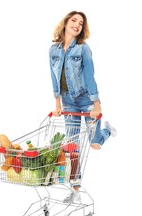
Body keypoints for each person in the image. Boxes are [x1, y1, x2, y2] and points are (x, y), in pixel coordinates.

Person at [49, 11, 117, 203]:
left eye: (81, 23)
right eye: (74, 20)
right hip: (68, 102)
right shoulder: (53, 50)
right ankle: (75, 189)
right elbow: (54, 78)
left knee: (94, 145)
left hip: (87, 101)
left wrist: (97, 105)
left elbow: (89, 77)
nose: (77, 24)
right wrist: (57, 104)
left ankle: (108, 132)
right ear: (65, 22)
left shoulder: (83, 49)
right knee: (72, 148)